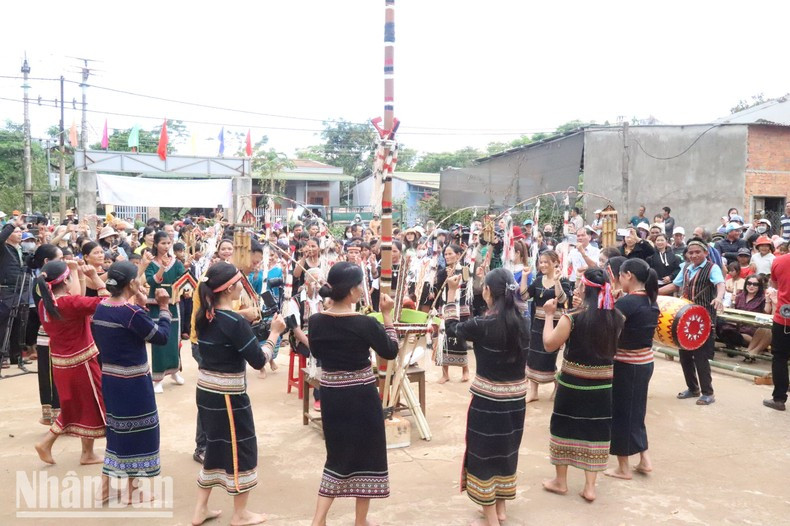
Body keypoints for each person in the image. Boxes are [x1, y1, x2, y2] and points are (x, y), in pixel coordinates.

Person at [191, 262, 284, 526]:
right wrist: (275, 334)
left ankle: (201, 508)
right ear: (230, 288)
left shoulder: (205, 316)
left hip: (206, 391)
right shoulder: (233, 322)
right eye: (239, 281)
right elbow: (259, 360)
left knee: (215, 447)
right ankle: (240, 513)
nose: (243, 284)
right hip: (228, 396)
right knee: (242, 449)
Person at [307, 262, 399, 526]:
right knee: (367, 457)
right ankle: (360, 521)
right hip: (361, 397)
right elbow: (390, 351)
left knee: (337, 456)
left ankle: (318, 519)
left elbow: (316, 352)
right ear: (350, 291)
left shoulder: (316, 321)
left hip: (332, 396)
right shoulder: (364, 323)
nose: (362, 289)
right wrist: (388, 315)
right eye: (359, 284)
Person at [443, 268, 529, 526]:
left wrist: (450, 293)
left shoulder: (484, 325)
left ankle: (491, 516)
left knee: (483, 454)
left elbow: (452, 328)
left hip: (487, 402)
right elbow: (471, 326)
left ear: (489, 292)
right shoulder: (524, 320)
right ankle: (500, 509)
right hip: (515, 400)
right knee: (505, 451)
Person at [91, 262, 172, 503]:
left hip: (111, 379)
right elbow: (161, 336)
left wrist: (141, 302)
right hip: (134, 383)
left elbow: (136, 327)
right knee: (139, 432)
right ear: (130, 284)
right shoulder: (130, 313)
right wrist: (165, 307)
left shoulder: (102, 308)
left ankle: (106, 487)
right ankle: (132, 490)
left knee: (117, 432)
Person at [541, 267, 623, 502]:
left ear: (585, 289)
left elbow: (549, 344)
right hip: (602, 386)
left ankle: (560, 481)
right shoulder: (616, 318)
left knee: (564, 426)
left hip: (572, 384)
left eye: (578, 284)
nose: (576, 288)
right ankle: (590, 487)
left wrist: (548, 316)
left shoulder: (572, 318)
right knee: (596, 430)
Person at [33, 260, 106, 465]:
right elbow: (108, 302)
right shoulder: (69, 304)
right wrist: (95, 277)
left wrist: (78, 274)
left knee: (77, 406)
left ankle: (84, 452)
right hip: (81, 363)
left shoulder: (45, 304)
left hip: (62, 363)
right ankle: (51, 443)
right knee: (89, 404)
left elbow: (77, 300)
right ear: (65, 281)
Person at [604, 259, 659, 481]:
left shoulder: (627, 304)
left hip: (626, 364)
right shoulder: (651, 301)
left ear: (628, 276)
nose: (617, 279)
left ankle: (623, 467)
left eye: (619, 275)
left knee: (621, 414)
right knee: (637, 411)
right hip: (645, 362)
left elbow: (609, 330)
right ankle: (644, 459)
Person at [659, 237, 725, 406]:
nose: (694, 255)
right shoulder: (686, 268)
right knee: (685, 355)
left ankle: (708, 392)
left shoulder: (713, 268)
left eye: (698, 252)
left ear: (706, 253)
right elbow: (674, 286)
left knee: (701, 357)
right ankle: (693, 388)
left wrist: (719, 298)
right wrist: (652, 294)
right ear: (687, 254)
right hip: (685, 318)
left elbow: (720, 284)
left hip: (703, 319)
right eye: (691, 252)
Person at [522, 250, 571, 402]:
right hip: (538, 323)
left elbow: (563, 299)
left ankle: (557, 385)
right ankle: (534, 391)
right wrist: (524, 276)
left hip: (555, 324)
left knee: (549, 356)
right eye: (541, 262)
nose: (542, 265)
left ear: (555, 263)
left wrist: (556, 281)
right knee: (533, 355)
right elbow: (524, 295)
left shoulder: (563, 280)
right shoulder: (537, 281)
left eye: (546, 262)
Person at [145, 231, 186, 393]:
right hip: (155, 303)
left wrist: (185, 288)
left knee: (174, 340)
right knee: (159, 340)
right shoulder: (150, 262)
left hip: (173, 303)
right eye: (163, 243)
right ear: (155, 244)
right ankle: (158, 378)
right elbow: (151, 281)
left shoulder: (176, 262)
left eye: (169, 243)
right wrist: (162, 268)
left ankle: (174, 371)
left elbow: (183, 278)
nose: (166, 246)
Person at [29, 244, 62, 425]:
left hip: (55, 334)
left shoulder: (52, 282)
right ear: (47, 262)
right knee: (51, 375)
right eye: (59, 260)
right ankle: (54, 415)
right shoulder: (41, 284)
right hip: (48, 334)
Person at [434, 244, 471, 383]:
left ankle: (465, 370)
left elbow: (468, 286)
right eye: (446, 254)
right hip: (445, 306)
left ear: (458, 254)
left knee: (461, 337)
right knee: (444, 338)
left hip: (460, 307)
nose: (448, 256)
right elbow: (438, 291)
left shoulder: (465, 269)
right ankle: (445, 373)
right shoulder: (441, 272)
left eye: (450, 254)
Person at [719, 276, 772, 362]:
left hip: (751, 331)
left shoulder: (762, 298)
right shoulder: (740, 295)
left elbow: (767, 313)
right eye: (749, 283)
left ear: (760, 286)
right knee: (720, 324)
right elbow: (733, 312)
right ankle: (734, 348)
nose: (751, 286)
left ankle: (744, 349)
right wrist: (732, 302)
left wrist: (768, 300)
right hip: (736, 327)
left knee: (766, 330)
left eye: (755, 284)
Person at [764, 249, 790, 410]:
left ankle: (779, 399)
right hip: (783, 318)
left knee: (780, 357)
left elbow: (775, 285)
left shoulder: (779, 261)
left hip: (784, 318)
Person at [0, 215, 26, 368]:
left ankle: (16, 356)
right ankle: (3, 356)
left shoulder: (20, 250)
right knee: (4, 323)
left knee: (19, 323)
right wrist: (12, 224)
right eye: (16, 231)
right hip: (6, 290)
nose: (19, 233)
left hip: (21, 288)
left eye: (20, 231)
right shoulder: (3, 248)